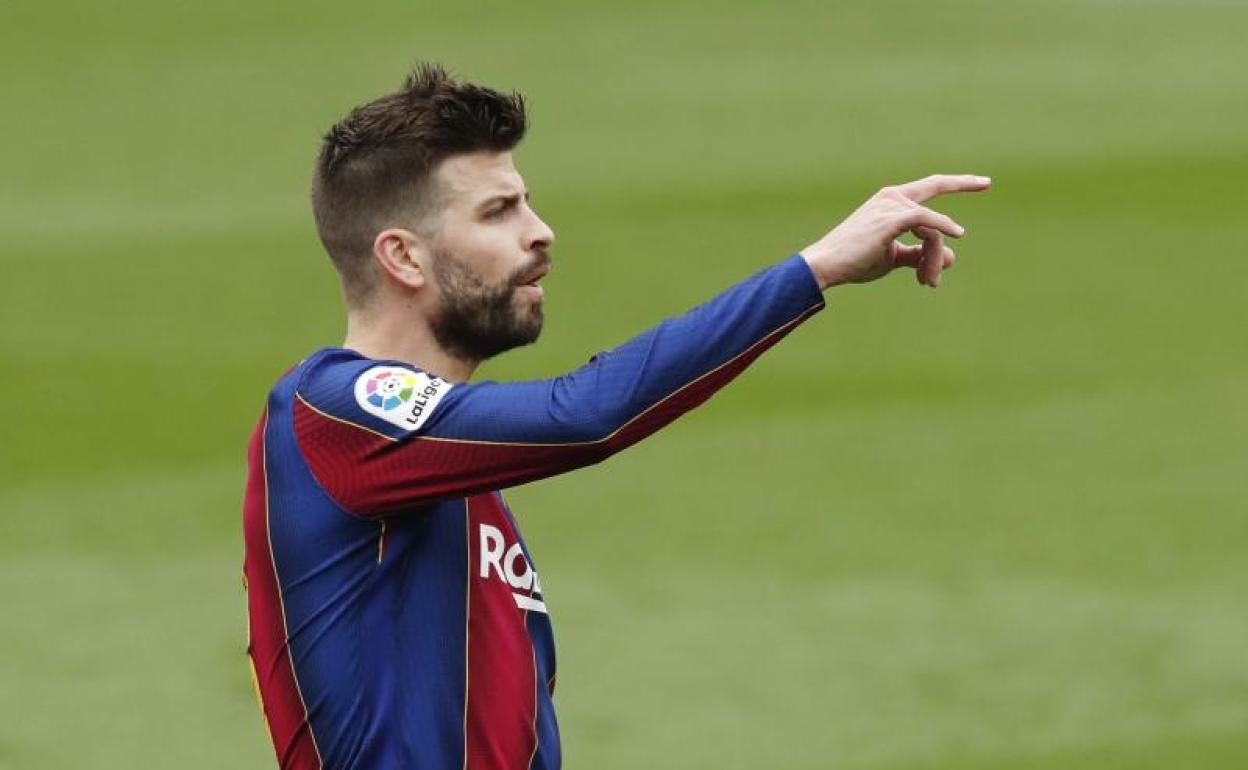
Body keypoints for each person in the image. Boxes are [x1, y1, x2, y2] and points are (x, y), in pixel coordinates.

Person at [241, 62, 990, 770]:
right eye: (499, 212)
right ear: (403, 257)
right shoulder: (334, 413)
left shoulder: (458, 477)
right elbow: (586, 415)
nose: (540, 231)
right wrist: (813, 270)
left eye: (526, 202)